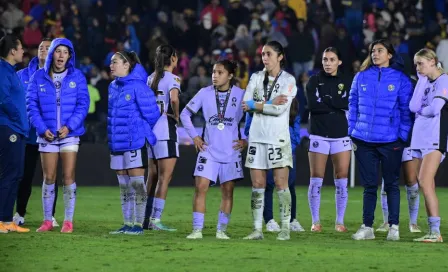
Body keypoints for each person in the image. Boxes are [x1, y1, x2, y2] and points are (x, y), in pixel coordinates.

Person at [349, 39, 412, 241]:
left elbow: (406, 111)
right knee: (369, 186)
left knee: (391, 184)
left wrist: (401, 136)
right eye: (373, 51)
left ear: (390, 55)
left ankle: (393, 227)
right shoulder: (360, 77)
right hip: (364, 140)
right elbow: (353, 105)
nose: (375, 54)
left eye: (380, 50)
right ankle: (367, 227)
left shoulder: (401, 79)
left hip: (390, 140)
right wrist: (352, 130)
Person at [26, 38, 90, 233]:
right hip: (47, 135)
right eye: (58, 51)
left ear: (70, 56)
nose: (61, 55)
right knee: (49, 177)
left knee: (68, 176)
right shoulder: (38, 76)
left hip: (70, 135)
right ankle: (47, 220)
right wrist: (41, 128)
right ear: (52, 53)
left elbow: (83, 104)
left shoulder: (77, 76)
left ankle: (68, 221)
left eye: (65, 52)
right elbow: (31, 106)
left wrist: (69, 127)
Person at [180, 59, 246, 239]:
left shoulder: (241, 95)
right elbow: (184, 114)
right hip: (208, 150)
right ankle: (197, 230)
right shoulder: (204, 93)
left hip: (231, 151)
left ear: (230, 75)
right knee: (200, 187)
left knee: (227, 191)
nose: (215, 76)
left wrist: (246, 139)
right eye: (213, 72)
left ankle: (221, 231)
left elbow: (254, 118)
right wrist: (194, 136)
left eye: (220, 73)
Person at [242, 40, 297, 241]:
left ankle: (285, 228)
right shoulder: (256, 77)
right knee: (257, 184)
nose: (264, 58)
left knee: (281, 183)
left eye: (269, 54)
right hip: (256, 138)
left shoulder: (289, 80)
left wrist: (258, 105)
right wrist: (268, 102)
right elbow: (244, 103)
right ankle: (257, 230)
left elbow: (279, 109)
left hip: (278, 138)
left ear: (280, 56)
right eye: (263, 54)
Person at [108, 51, 160, 235]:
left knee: (137, 183)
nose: (111, 65)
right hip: (116, 143)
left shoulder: (139, 87)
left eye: (114, 62)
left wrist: (141, 131)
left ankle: (138, 224)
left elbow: (153, 115)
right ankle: (127, 223)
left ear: (126, 65)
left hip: (133, 141)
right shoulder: (112, 86)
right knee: (124, 185)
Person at [305, 47, 353, 233]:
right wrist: (336, 105)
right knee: (316, 178)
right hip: (319, 134)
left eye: (332, 59)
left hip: (341, 134)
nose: (328, 63)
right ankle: (315, 221)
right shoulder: (314, 80)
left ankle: (339, 221)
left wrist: (325, 102)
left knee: (341, 178)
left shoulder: (347, 80)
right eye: (325, 59)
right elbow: (312, 106)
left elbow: (348, 103)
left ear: (339, 62)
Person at [14, 38, 60, 228]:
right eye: (41, 47)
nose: (43, 49)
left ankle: (51, 216)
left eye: (48, 47)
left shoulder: (60, 77)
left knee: (51, 177)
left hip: (50, 134)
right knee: (24, 175)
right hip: (28, 135)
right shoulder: (21, 75)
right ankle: (19, 213)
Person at [244, 98, 305, 233]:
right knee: (268, 185)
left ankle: (291, 219)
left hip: (286, 152)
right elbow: (248, 130)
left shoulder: (292, 111)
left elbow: (295, 137)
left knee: (289, 186)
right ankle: (269, 220)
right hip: (264, 150)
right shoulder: (258, 108)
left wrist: (284, 146)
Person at [409, 48, 447, 243]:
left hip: (434, 138)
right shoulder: (425, 81)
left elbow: (435, 109)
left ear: (433, 61)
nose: (418, 68)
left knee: (425, 182)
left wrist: (422, 110)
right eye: (416, 64)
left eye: (421, 63)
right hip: (418, 137)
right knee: (425, 184)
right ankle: (433, 230)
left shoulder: (444, 80)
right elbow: (412, 106)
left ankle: (436, 232)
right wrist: (422, 80)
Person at [143, 44, 180, 231]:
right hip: (166, 131)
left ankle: (144, 217)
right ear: (173, 58)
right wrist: (177, 115)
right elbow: (174, 99)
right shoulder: (173, 78)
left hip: (151, 132)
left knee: (153, 176)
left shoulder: (150, 78)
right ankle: (155, 219)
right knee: (165, 177)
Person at [0, 34, 30, 234]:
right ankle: (1, 220)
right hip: (8, 127)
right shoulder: (2, 70)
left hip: (16, 128)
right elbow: (3, 99)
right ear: (12, 51)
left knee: (16, 174)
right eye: (20, 48)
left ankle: (7, 220)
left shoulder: (11, 71)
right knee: (9, 174)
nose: (23, 52)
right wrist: (19, 120)